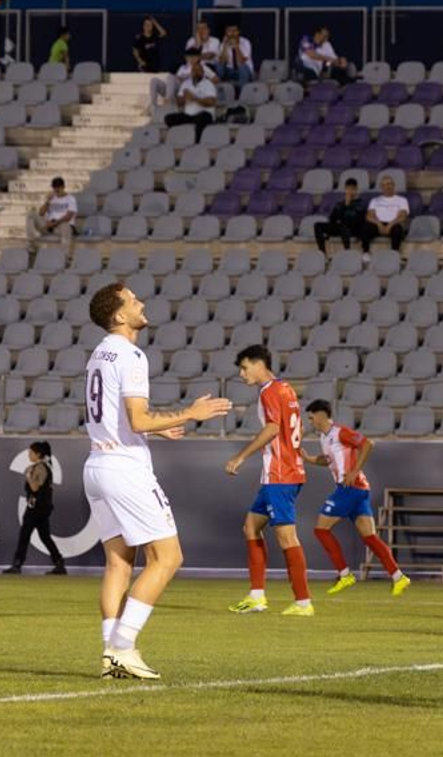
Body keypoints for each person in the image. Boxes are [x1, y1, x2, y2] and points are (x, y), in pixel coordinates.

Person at [83, 282, 232, 677]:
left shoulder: (98, 354)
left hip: (96, 464)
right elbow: (137, 418)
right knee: (168, 558)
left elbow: (118, 417)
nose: (141, 303)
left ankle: (108, 653)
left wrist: (153, 429)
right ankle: (122, 647)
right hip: (124, 469)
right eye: (133, 301)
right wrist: (189, 413)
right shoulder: (131, 355)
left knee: (118, 563)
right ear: (119, 315)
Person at [225, 344, 313, 616]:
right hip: (281, 472)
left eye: (244, 367)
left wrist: (239, 457)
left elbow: (274, 428)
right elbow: (294, 428)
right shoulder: (285, 388)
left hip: (280, 475)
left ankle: (303, 603)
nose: (242, 374)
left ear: (259, 363)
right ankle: (257, 596)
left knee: (287, 537)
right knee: (251, 526)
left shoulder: (269, 391)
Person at [302, 399, 410, 597]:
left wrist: (354, 471)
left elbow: (367, 444)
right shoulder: (325, 438)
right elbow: (328, 460)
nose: (310, 422)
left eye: (311, 417)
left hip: (350, 488)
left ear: (321, 415)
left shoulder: (340, 432)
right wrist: (309, 459)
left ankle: (344, 575)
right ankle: (398, 576)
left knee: (321, 529)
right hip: (359, 490)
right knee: (370, 537)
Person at [4, 440, 66, 575]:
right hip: (42, 507)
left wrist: (28, 475)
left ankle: (17, 564)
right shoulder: (43, 466)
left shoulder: (40, 468)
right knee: (44, 537)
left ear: (38, 454)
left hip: (36, 508)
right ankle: (59, 562)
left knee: (24, 535)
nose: (29, 454)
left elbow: (35, 488)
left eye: (31, 452)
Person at [165, 60, 217, 139]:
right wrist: (182, 99)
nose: (196, 72)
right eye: (194, 70)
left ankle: (196, 142)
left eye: (198, 70)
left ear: (203, 73)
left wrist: (194, 98)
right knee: (168, 118)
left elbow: (211, 102)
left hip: (204, 114)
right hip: (189, 116)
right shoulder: (186, 84)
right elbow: (179, 103)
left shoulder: (208, 84)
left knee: (202, 118)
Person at [314, 177, 367, 253]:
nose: (349, 192)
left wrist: (347, 205)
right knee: (317, 225)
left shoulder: (360, 204)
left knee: (344, 226)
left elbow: (355, 219)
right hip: (340, 228)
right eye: (347, 189)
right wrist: (344, 205)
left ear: (356, 190)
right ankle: (322, 253)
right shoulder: (340, 204)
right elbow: (332, 219)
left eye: (352, 189)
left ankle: (347, 251)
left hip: (354, 229)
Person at [361, 175, 409, 255]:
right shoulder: (375, 200)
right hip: (378, 224)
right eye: (385, 184)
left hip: (393, 223)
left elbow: (403, 216)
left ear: (393, 185)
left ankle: (394, 253)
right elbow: (369, 216)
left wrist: (390, 225)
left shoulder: (402, 200)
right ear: (381, 187)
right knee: (365, 228)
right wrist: (379, 224)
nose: (387, 186)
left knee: (397, 230)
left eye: (389, 183)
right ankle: (366, 252)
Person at [27, 176, 78, 247]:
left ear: (63, 187)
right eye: (55, 188)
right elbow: (41, 213)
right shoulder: (52, 198)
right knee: (31, 215)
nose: (56, 190)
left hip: (62, 224)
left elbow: (68, 217)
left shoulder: (70, 199)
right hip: (49, 226)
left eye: (58, 187)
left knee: (65, 226)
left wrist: (53, 224)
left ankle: (64, 254)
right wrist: (47, 201)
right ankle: (31, 242)